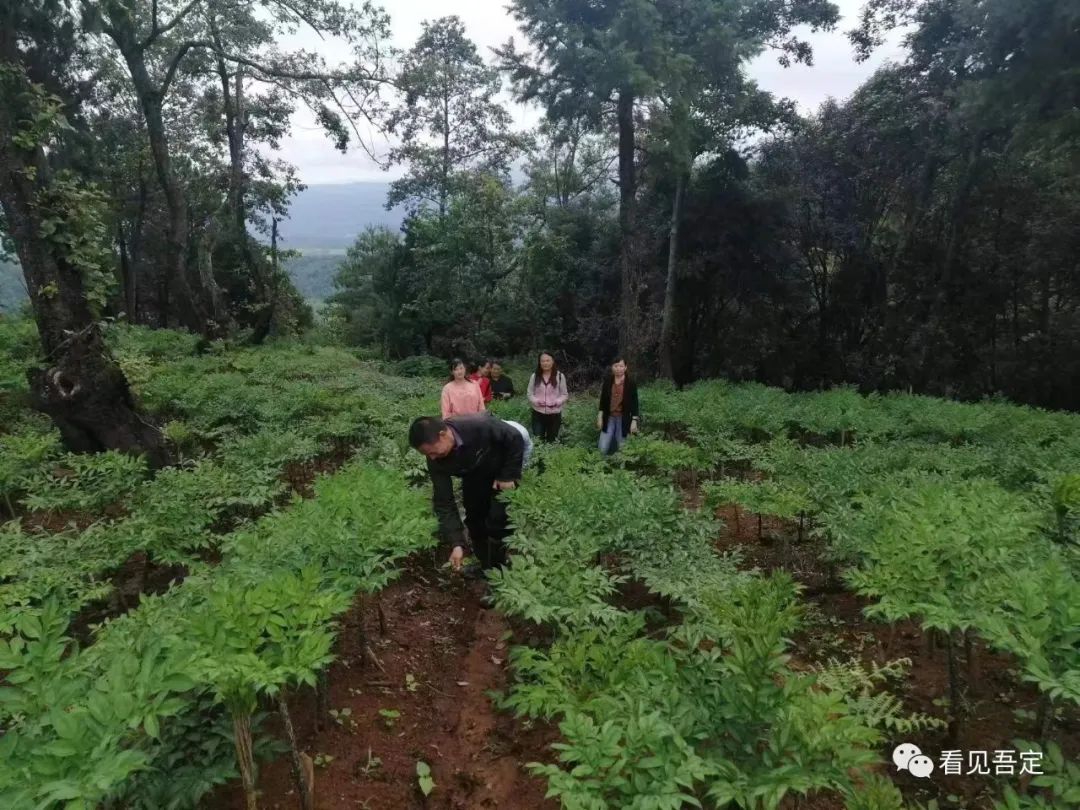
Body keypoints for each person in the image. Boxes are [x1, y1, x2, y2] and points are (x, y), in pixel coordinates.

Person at [409, 413, 530, 574]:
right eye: (427, 455)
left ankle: (499, 569)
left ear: (443, 435)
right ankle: (486, 566)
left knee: (498, 519)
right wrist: (456, 543)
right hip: (474, 469)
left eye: (432, 451)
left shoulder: (477, 424)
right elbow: (444, 501)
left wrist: (508, 475)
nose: (431, 457)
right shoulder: (435, 460)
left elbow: (514, 437)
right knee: (474, 518)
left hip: (507, 453)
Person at [597, 356, 640, 455]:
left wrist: (634, 421)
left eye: (621, 366)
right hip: (609, 417)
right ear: (612, 367)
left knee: (622, 446)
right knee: (602, 447)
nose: (618, 368)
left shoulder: (631, 383)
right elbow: (603, 401)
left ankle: (621, 468)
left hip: (623, 418)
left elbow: (635, 403)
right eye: (616, 366)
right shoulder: (608, 381)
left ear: (625, 367)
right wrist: (600, 417)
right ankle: (599, 468)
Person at [527, 351, 568, 441]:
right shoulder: (534, 376)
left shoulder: (560, 376)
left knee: (552, 440)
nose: (545, 363)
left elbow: (564, 394)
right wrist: (537, 401)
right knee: (538, 440)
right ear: (539, 362)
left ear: (552, 361)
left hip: (554, 414)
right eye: (542, 361)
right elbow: (529, 394)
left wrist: (558, 401)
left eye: (548, 360)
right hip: (538, 413)